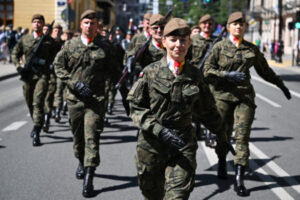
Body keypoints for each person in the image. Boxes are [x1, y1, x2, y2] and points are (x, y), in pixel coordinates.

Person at [127, 18, 225, 200]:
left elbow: (207, 110)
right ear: (164, 42)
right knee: (151, 192)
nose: (178, 45)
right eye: (173, 40)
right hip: (152, 145)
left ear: (189, 42)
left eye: (183, 40)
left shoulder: (195, 75)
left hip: (183, 144)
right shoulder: (150, 72)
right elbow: (136, 107)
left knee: (177, 196)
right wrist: (159, 130)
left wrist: (222, 134)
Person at [203, 12, 292, 197]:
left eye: (241, 24)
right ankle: (221, 161)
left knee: (242, 138)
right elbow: (207, 70)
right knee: (223, 134)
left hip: (244, 98)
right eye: (234, 24)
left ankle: (238, 179)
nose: (238, 27)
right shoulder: (219, 47)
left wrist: (281, 85)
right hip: (222, 97)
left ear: (244, 27)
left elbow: (264, 70)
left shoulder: (251, 49)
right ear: (228, 27)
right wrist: (226, 75)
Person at [54, 9, 116, 197]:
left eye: (93, 23)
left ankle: (89, 177)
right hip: (74, 100)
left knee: (92, 138)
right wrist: (73, 83)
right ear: (81, 25)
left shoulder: (105, 47)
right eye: (86, 23)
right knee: (78, 140)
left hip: (95, 101)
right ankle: (81, 161)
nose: (90, 26)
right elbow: (58, 66)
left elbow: (114, 71)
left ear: (98, 26)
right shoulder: (70, 45)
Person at [12, 14, 55, 146]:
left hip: (42, 75)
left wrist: (51, 66)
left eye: (39, 22)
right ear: (32, 24)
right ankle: (37, 121)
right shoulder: (25, 39)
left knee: (38, 102)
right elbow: (15, 53)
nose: (37, 24)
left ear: (43, 25)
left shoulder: (49, 41)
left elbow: (55, 57)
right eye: (35, 22)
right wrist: (19, 67)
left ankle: (37, 130)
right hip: (28, 75)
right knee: (29, 101)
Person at [189, 14, 217, 147]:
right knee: (194, 105)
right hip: (195, 77)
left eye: (210, 24)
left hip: (211, 79)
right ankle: (197, 127)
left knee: (212, 106)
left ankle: (209, 135)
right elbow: (186, 57)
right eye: (204, 23)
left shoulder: (217, 41)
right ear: (200, 25)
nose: (207, 26)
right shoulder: (193, 40)